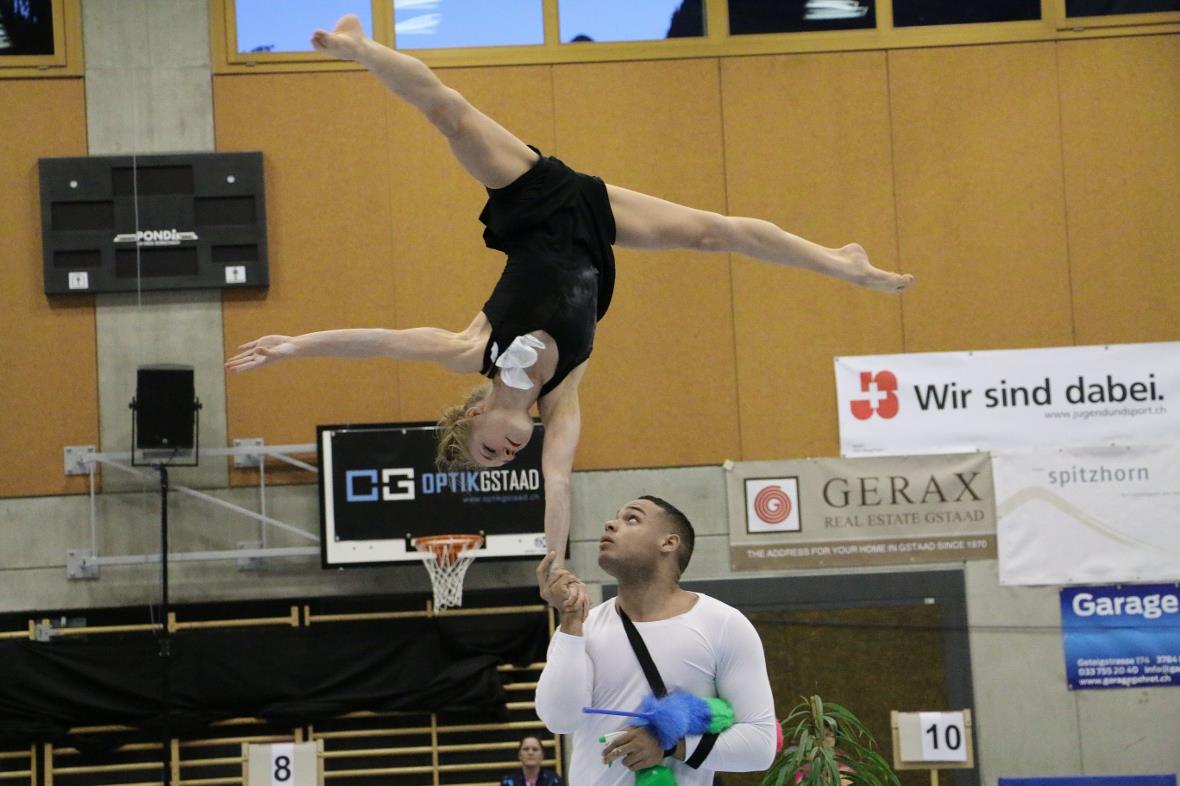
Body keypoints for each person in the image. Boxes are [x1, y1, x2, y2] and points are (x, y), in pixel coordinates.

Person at [226, 14, 913, 578]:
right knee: (715, 235)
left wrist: (295, 346)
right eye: (505, 459)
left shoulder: (471, 352)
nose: (510, 453)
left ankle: (360, 45)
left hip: (535, 201)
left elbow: (377, 341)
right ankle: (842, 263)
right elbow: (558, 485)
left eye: (491, 451)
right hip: (594, 227)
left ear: (472, 417)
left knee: (453, 118)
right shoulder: (564, 399)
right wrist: (553, 561)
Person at [534, 496, 777, 786]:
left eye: (632, 519)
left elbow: (760, 745)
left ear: (669, 543)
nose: (610, 524)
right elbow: (560, 720)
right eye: (615, 517)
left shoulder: (723, 624)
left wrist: (671, 746)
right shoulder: (581, 625)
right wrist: (570, 620)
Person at [501, 736, 565, 786]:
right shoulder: (509, 782)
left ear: (542, 755)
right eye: (526, 749)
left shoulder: (554, 780)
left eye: (535, 749)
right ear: (519, 755)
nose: (530, 753)